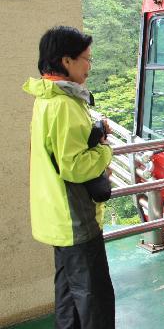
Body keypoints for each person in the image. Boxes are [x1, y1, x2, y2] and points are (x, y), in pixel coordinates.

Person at [22, 26, 115, 329]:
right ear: (66, 61)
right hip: (74, 218)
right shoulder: (64, 104)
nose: (89, 66)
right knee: (94, 299)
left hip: (55, 217)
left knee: (69, 297)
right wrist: (105, 152)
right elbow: (74, 166)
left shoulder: (46, 99)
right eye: (86, 59)